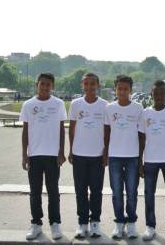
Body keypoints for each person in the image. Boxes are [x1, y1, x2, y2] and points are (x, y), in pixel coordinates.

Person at [19, 73, 67, 241]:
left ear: (52, 86)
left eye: (48, 84)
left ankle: (55, 224)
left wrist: (61, 152)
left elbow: (61, 129)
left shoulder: (58, 104)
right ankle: (36, 224)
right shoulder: (28, 105)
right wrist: (24, 154)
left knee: (53, 191)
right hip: (34, 155)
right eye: (42, 84)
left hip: (53, 155)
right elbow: (25, 131)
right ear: (37, 85)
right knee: (35, 192)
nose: (45, 87)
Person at [138, 80, 165, 241]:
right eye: (156, 93)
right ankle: (150, 226)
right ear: (151, 94)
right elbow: (141, 139)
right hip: (150, 160)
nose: (159, 96)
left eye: (162, 93)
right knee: (149, 194)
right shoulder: (145, 113)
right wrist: (140, 161)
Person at [68, 73, 108, 239]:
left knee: (96, 191)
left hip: (97, 155)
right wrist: (71, 150)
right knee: (81, 191)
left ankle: (95, 222)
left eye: (93, 84)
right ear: (82, 85)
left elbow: (107, 131)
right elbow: (71, 129)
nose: (89, 87)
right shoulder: (75, 104)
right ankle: (82, 222)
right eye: (86, 84)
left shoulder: (105, 105)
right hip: (79, 155)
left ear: (98, 85)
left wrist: (106, 152)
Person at [104, 74, 143, 239]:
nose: (122, 91)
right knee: (117, 192)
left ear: (131, 90)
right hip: (115, 156)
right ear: (115, 89)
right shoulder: (109, 108)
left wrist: (140, 159)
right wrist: (105, 153)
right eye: (119, 88)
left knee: (132, 192)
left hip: (133, 156)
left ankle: (131, 222)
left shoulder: (138, 108)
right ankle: (119, 222)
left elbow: (141, 135)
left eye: (126, 89)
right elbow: (106, 133)